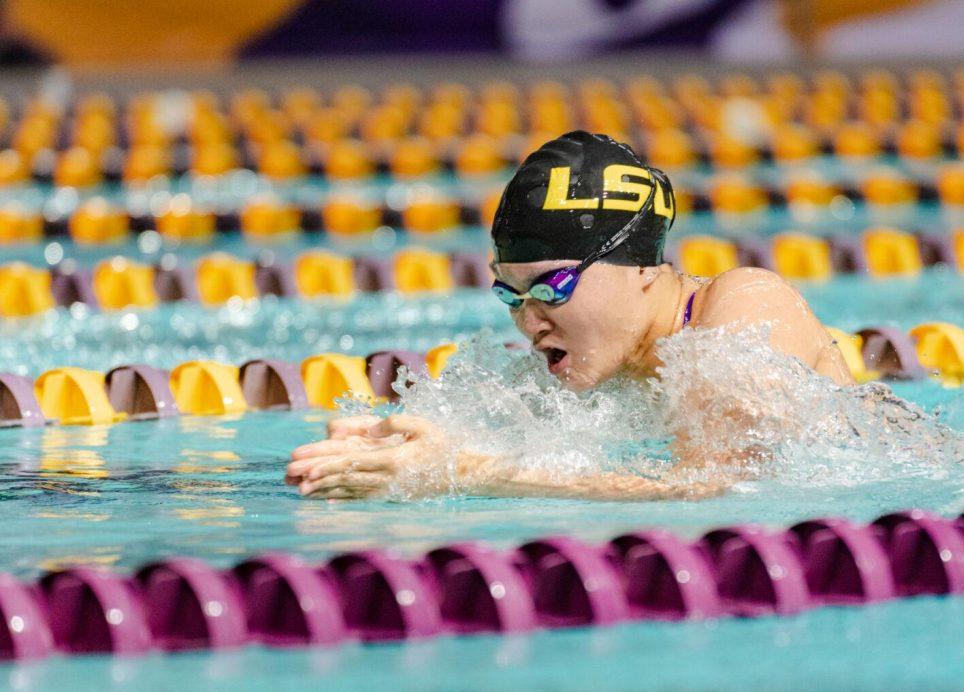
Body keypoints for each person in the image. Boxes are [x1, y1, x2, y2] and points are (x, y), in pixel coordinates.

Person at [285, 130, 852, 500]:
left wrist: (473, 472)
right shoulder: (588, 366)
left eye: (552, 288)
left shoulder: (744, 305)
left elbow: (721, 493)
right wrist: (390, 451)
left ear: (642, 268)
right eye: (510, 295)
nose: (530, 322)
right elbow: (480, 445)